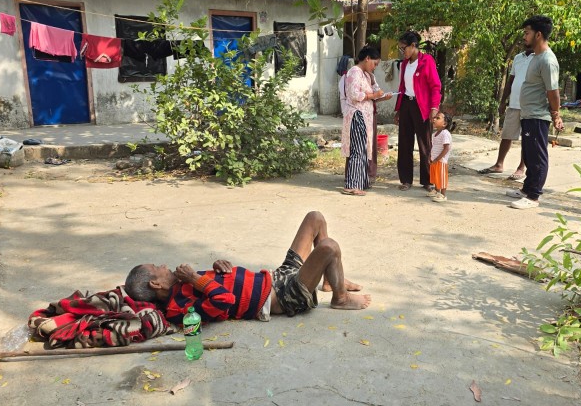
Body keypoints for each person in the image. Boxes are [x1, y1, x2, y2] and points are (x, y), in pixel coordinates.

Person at [124, 211, 371, 324]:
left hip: (274, 277)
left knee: (315, 218)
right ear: (155, 284)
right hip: (282, 297)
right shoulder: (178, 309)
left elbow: (216, 284)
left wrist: (217, 267)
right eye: (159, 268)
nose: (165, 266)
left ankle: (330, 280)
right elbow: (223, 301)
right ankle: (339, 297)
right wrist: (195, 279)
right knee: (328, 247)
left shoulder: (182, 283)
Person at [505, 15, 564, 209]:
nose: (524, 37)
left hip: (538, 115)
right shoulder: (535, 57)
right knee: (529, 154)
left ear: (538, 35)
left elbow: (553, 92)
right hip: (528, 113)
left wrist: (556, 114)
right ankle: (526, 188)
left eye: (527, 33)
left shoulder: (547, 60)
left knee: (537, 155)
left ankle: (533, 196)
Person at [341, 46, 392, 195]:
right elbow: (354, 94)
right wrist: (374, 95)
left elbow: (373, 95)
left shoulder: (368, 75)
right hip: (356, 115)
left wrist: (382, 96)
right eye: (374, 64)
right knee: (357, 150)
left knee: (364, 149)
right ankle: (351, 185)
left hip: (366, 116)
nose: (375, 67)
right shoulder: (354, 72)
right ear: (367, 58)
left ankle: (361, 182)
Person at [394, 31, 442, 191]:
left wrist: (434, 108)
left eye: (403, 48)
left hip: (423, 107)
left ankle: (427, 180)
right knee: (405, 143)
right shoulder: (404, 64)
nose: (402, 52)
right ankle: (406, 180)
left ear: (413, 46)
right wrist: (398, 109)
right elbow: (402, 87)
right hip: (406, 104)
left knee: (425, 144)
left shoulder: (427, 61)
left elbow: (435, 86)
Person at [479, 44, 533, 180]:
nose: (524, 40)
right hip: (514, 104)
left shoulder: (539, 57)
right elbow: (511, 79)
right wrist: (503, 101)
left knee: (526, 138)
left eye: (527, 35)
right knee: (506, 135)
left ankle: (521, 167)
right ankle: (499, 164)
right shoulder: (518, 58)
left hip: (529, 105)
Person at [427, 111, 453, 202]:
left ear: (444, 123)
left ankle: (443, 195)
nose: (434, 119)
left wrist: (437, 158)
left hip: (441, 160)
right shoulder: (434, 134)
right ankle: (436, 191)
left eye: (438, 118)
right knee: (436, 177)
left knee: (441, 178)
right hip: (434, 159)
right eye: (435, 118)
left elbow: (446, 148)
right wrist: (430, 156)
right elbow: (433, 147)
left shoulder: (445, 133)